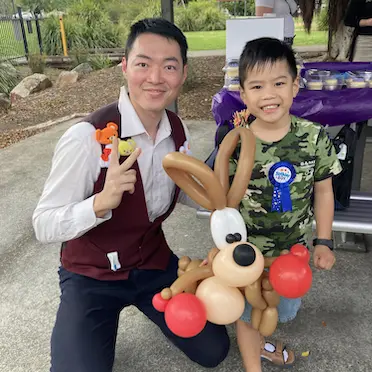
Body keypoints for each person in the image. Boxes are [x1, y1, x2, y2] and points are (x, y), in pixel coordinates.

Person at [32, 18, 229, 372]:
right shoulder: (86, 137)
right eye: (143, 64)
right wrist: (99, 204)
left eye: (169, 66)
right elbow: (43, 224)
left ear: (183, 74)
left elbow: (181, 190)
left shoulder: (176, 131)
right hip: (91, 276)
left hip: (153, 264)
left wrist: (223, 199)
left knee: (213, 350)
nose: (155, 78)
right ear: (125, 67)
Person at [229, 37, 342, 371]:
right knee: (248, 313)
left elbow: (323, 192)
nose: (268, 95)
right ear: (243, 94)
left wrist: (323, 241)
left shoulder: (315, 137)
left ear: (295, 86)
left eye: (279, 83)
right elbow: (223, 201)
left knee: (280, 310)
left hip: (293, 254)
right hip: (247, 253)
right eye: (257, 86)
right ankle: (254, 364)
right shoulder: (235, 141)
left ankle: (263, 342)